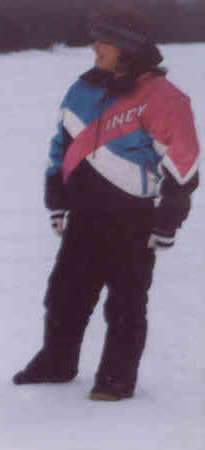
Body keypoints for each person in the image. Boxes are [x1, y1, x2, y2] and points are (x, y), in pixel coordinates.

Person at [13, 9, 199, 400]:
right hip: (85, 213)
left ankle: (116, 379)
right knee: (65, 294)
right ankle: (57, 363)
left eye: (105, 40)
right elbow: (61, 146)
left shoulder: (165, 99)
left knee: (126, 302)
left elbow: (183, 165)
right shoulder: (82, 89)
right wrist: (57, 198)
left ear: (128, 47)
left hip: (134, 219)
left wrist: (168, 220)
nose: (95, 46)